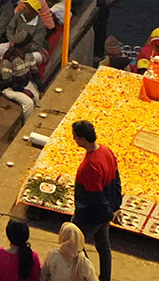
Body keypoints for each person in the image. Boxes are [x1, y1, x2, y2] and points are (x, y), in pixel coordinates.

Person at [70, 118, 120, 281]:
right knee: (104, 247)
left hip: (89, 215)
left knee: (74, 242)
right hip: (106, 212)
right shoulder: (106, 151)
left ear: (83, 139)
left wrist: (107, 214)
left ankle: (88, 275)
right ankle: (105, 278)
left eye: (75, 136)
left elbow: (95, 197)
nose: (74, 139)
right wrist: (115, 207)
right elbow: (117, 180)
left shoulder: (90, 166)